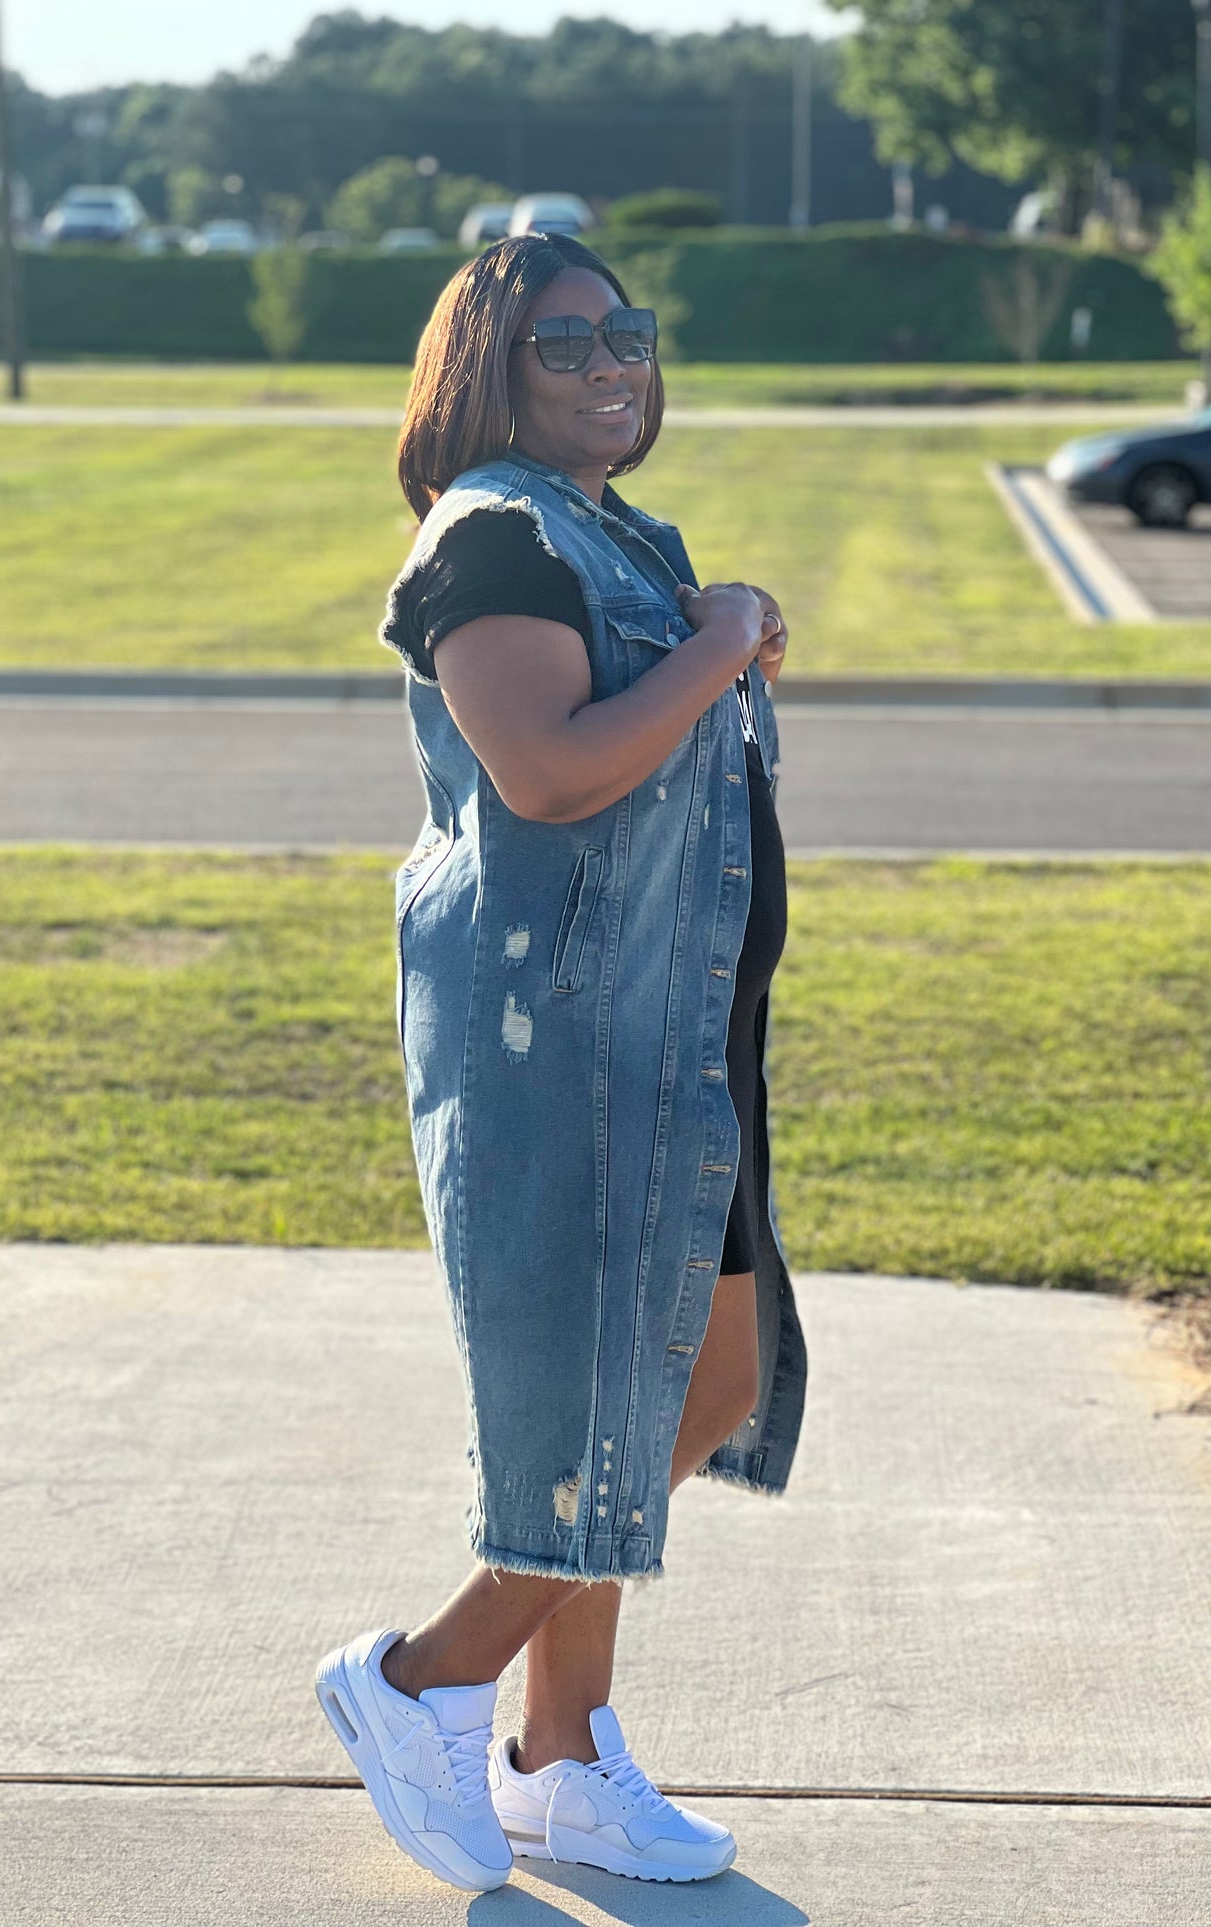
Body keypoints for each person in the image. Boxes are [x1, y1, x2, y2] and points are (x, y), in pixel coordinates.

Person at [314, 231, 807, 1893]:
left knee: (687, 1386)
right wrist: (717, 643)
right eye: (565, 344)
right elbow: (544, 771)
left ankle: (560, 1757)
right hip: (571, 1038)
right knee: (627, 1404)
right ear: (488, 375)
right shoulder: (493, 538)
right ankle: (422, 1680)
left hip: (675, 1030)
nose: (612, 366)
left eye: (627, 335)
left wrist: (716, 632)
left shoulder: (616, 536)